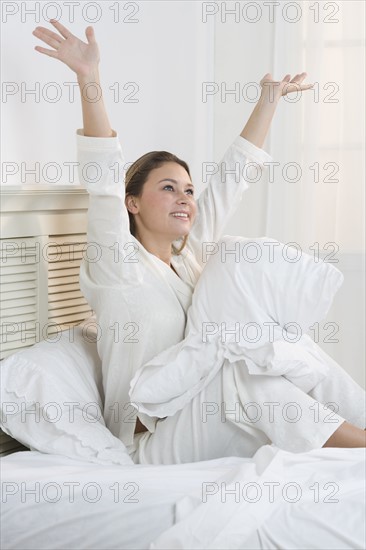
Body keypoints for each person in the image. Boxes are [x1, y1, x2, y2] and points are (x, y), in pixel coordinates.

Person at [33, 20, 366, 464]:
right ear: (132, 203)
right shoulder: (116, 266)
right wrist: (88, 78)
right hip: (151, 442)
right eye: (168, 188)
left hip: (203, 414)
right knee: (242, 376)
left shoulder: (188, 258)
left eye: (189, 190)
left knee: (280, 348)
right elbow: (104, 180)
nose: (185, 199)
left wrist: (268, 101)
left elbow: (233, 179)